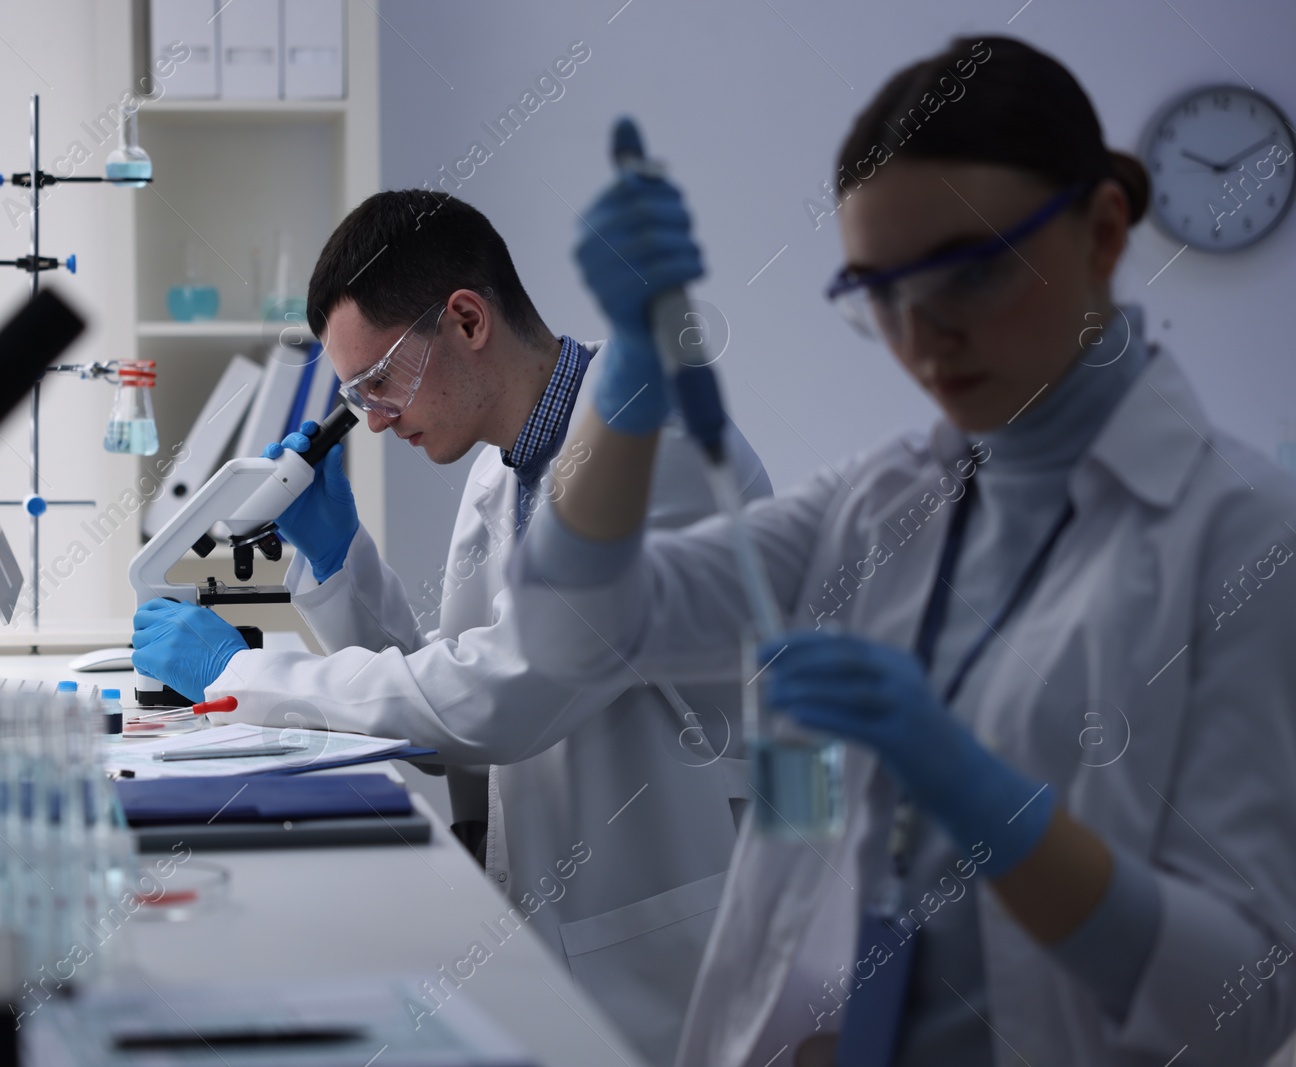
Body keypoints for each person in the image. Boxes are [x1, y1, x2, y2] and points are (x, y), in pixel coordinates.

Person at [507, 36, 1296, 1067]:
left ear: (1101, 231)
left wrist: (969, 784)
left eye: (967, 275)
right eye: (879, 292)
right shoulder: (881, 501)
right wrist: (625, 378)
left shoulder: (1244, 532)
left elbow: (1240, 1000)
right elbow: (570, 636)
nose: (922, 339)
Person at [131, 190, 772, 1064]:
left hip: (668, 964)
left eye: (377, 382)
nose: (374, 418)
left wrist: (244, 672)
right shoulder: (505, 470)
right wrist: (337, 559)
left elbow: (501, 699)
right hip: (558, 938)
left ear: (467, 319)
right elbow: (446, 711)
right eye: (354, 397)